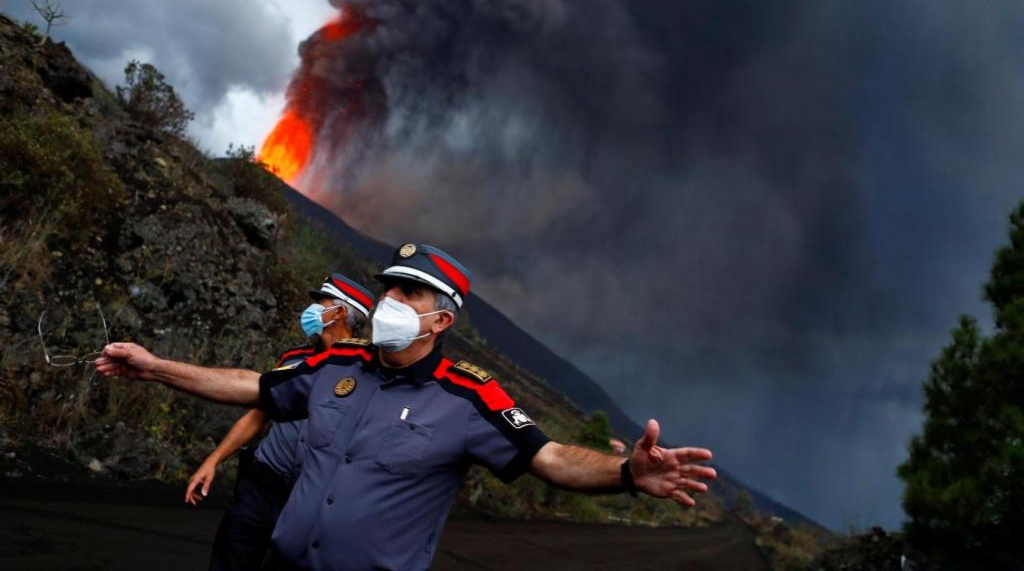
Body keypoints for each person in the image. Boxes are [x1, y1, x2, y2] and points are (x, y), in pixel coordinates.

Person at [96, 244, 717, 571]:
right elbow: (254, 387)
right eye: (387, 285)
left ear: (441, 317)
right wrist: (156, 368)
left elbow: (548, 457)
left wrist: (629, 475)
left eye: (408, 291)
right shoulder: (336, 365)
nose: (387, 299)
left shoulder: (470, 394)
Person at [179, 273, 375, 571]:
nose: (311, 311)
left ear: (338, 313)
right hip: (260, 485)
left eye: (320, 304)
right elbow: (259, 414)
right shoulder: (294, 359)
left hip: (306, 500)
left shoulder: (367, 377)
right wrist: (213, 460)